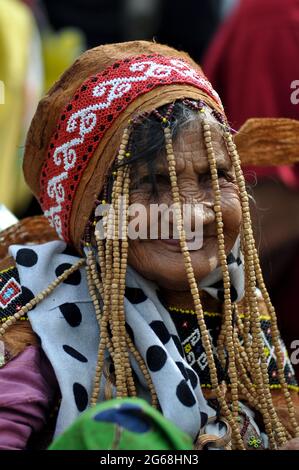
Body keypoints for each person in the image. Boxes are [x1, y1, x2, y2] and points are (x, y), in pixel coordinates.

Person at [0, 41, 299, 450]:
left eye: (216, 177)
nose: (193, 213)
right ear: (92, 213)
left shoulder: (242, 305)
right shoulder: (35, 311)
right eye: (152, 185)